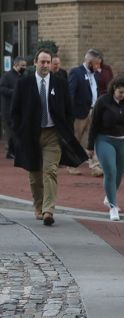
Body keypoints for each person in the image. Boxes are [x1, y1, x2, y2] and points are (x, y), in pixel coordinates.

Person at [10, 48, 87, 226]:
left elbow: (69, 110)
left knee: (50, 171)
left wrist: (65, 130)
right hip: (31, 135)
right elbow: (14, 112)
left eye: (48, 62)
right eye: (42, 62)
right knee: (35, 174)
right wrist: (19, 133)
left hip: (53, 134)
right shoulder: (24, 83)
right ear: (35, 63)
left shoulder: (60, 83)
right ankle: (38, 207)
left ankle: (48, 210)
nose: (45, 65)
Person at [87, 76, 124, 221]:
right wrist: (90, 146)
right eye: (120, 92)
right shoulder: (103, 101)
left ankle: (109, 196)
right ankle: (113, 206)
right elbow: (94, 124)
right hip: (104, 140)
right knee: (110, 171)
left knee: (119, 173)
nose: (123, 95)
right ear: (114, 89)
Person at [67, 48, 104, 177]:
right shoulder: (76, 73)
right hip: (79, 112)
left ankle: (95, 166)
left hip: (93, 110)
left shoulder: (95, 75)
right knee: (76, 139)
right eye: (96, 64)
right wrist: (70, 113)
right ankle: (71, 165)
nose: (98, 67)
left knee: (92, 138)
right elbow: (70, 93)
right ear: (89, 62)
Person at [0, 56, 26, 159]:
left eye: (25, 66)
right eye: (22, 66)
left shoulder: (22, 77)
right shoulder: (6, 76)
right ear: (15, 65)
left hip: (19, 109)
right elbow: (1, 88)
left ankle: (11, 152)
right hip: (8, 109)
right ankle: (14, 152)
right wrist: (14, 92)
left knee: (17, 130)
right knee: (13, 131)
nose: (24, 67)